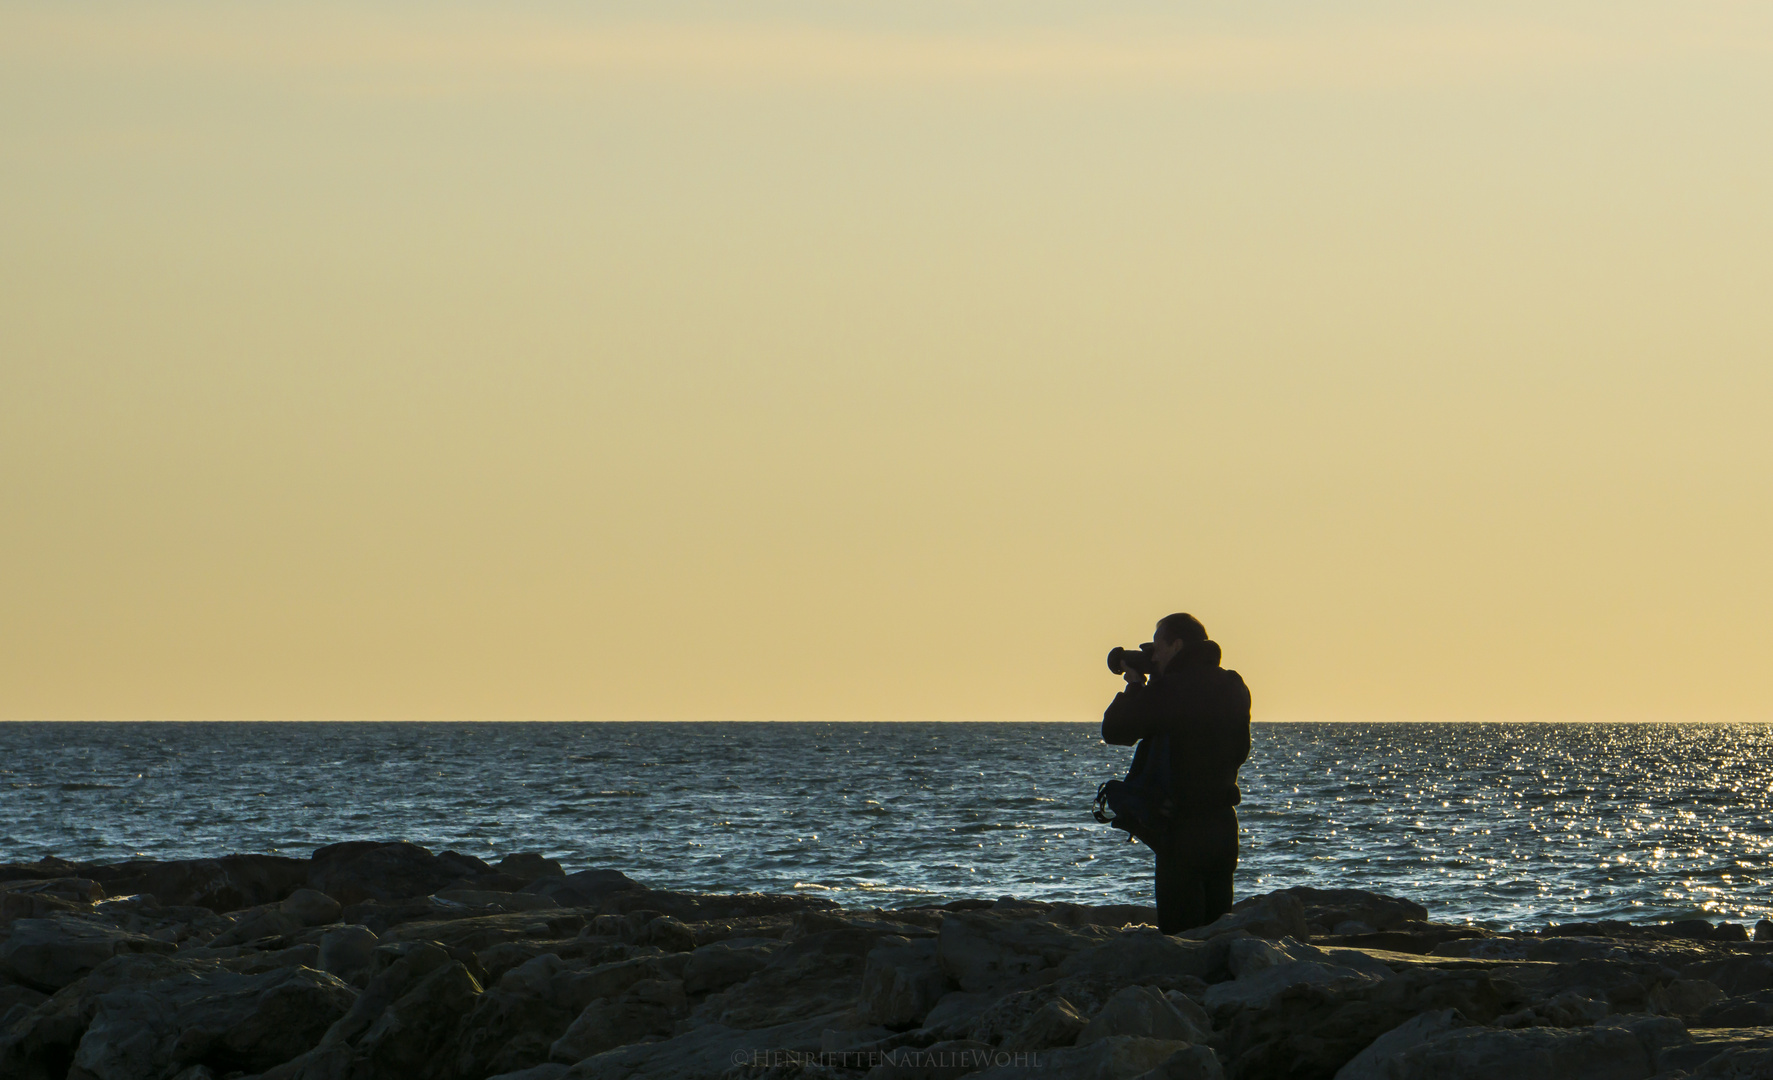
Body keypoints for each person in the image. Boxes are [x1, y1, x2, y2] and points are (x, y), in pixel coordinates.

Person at [1102, 612, 1252, 934]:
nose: (1153, 656)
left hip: (1183, 828)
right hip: (1223, 822)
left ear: (1177, 644)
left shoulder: (1171, 689)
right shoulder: (1232, 685)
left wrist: (1135, 685)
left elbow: (1116, 730)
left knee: (1182, 936)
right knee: (1218, 931)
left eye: (1157, 646)